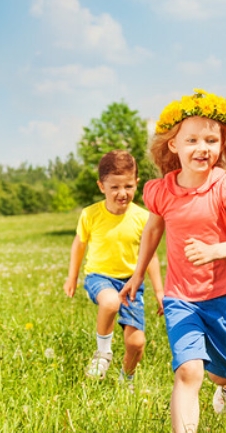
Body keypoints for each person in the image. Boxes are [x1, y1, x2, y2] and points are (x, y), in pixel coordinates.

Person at [119, 89, 226, 433]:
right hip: (181, 297)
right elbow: (152, 232)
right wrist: (136, 275)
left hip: (224, 296)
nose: (203, 148)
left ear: (222, 144)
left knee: (220, 370)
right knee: (188, 370)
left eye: (211, 140)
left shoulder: (225, 186)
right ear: (174, 145)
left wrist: (215, 251)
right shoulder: (162, 190)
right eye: (193, 140)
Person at [63, 150, 164, 388]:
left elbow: (150, 256)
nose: (122, 193)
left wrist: (159, 291)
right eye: (114, 187)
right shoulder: (90, 214)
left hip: (131, 282)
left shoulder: (142, 217)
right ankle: (103, 354)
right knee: (110, 303)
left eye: (128, 186)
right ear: (101, 186)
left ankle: (125, 379)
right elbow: (79, 245)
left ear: (137, 183)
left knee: (136, 343)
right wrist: (72, 277)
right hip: (99, 276)